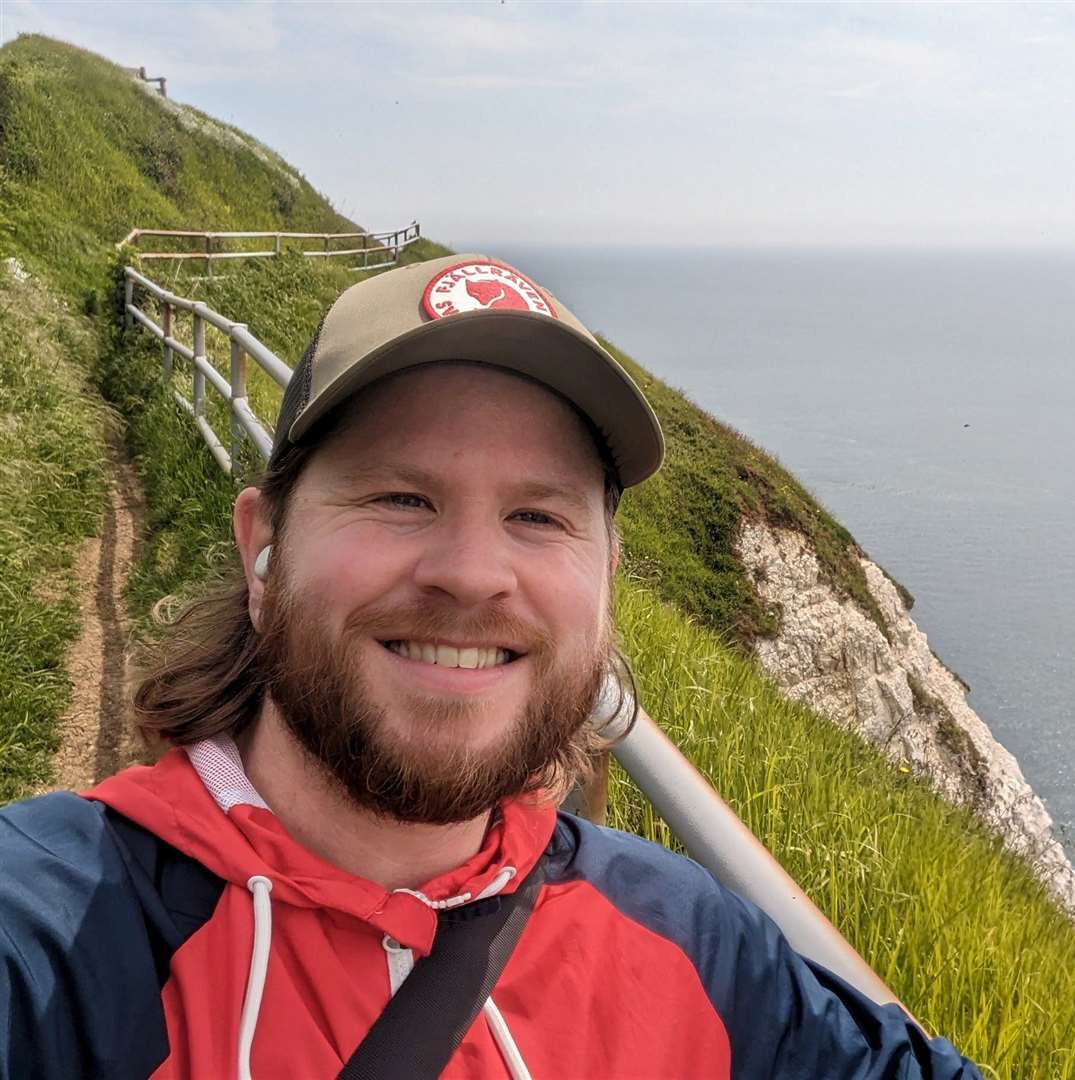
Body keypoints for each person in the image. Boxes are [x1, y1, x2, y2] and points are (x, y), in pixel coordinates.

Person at [0, 255, 981, 1079]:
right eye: (399, 497)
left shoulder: (695, 944)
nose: (472, 574)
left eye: (538, 516)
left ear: (604, 581)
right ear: (264, 549)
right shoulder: (55, 937)